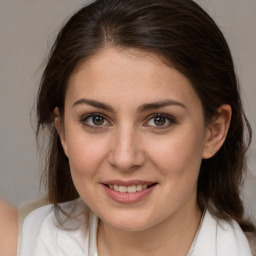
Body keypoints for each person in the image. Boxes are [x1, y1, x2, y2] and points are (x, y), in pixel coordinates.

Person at [19, 0, 256, 255]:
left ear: (214, 131)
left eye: (159, 120)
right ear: (62, 132)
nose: (124, 158)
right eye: (96, 119)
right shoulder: (22, 239)